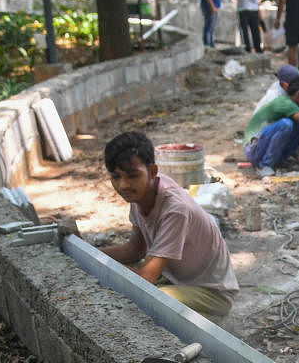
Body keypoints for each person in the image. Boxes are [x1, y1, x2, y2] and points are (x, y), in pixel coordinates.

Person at [99, 132, 239, 323]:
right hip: (178, 279)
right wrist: (88, 253)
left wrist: (103, 271)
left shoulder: (174, 209)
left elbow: (145, 279)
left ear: (153, 171)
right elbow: (134, 249)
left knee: (147, 301)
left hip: (212, 292)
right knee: (135, 291)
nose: (123, 185)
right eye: (116, 177)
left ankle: (209, 321)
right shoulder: (138, 194)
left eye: (132, 176)